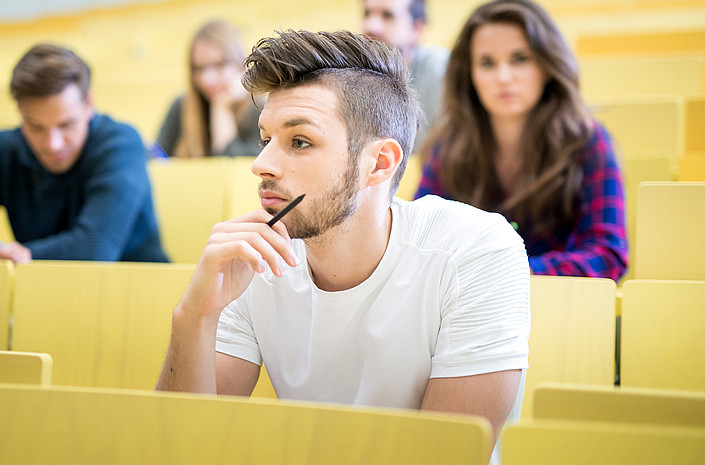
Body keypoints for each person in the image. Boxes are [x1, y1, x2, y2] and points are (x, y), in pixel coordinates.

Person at [156, 29, 530, 464]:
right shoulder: (255, 259)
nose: (261, 165)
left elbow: (440, 456)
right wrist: (194, 315)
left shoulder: (475, 250)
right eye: (265, 140)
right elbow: (183, 449)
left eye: (299, 142)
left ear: (379, 163)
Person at [414, 0, 628, 281]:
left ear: (547, 65)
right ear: (470, 75)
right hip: (470, 316)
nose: (503, 77)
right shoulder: (448, 148)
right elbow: (418, 247)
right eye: (487, 63)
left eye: (520, 59)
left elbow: (608, 255)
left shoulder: (588, 142)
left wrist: (516, 271)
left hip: (564, 312)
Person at [0, 44, 169, 263]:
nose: (52, 144)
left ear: (89, 104)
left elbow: (94, 250)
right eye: (35, 127)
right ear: (20, 113)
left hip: (136, 301)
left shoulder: (121, 143)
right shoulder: (3, 151)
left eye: (66, 125)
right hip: (45, 303)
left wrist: (24, 256)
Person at [156, 19, 261, 158]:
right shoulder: (181, 107)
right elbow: (157, 159)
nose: (208, 79)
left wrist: (221, 108)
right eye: (199, 69)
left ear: (239, 64)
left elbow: (233, 170)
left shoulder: (260, 110)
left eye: (218, 65)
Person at [362, 0, 449, 149]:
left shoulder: (440, 69)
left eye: (388, 15)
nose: (371, 26)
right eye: (367, 14)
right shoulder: (353, 77)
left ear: (417, 29)